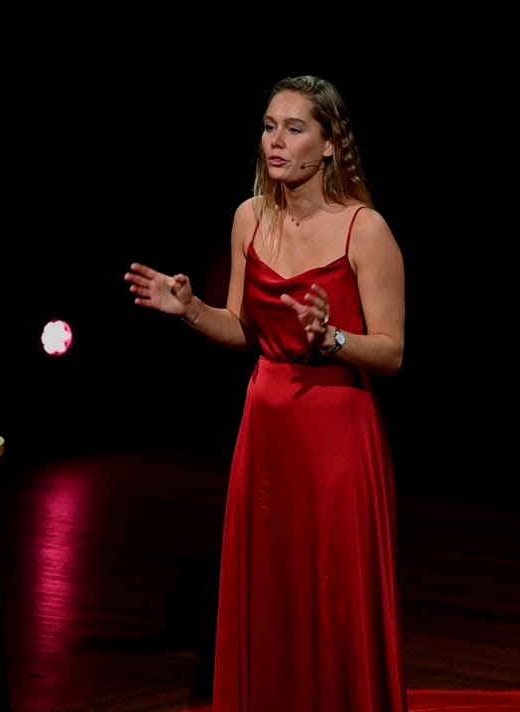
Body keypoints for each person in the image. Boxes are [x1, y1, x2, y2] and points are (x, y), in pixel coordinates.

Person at [125, 75, 407, 712]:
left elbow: (391, 352)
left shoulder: (364, 229)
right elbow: (243, 329)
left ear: (330, 145)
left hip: (337, 430)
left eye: (294, 128)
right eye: (269, 126)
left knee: (333, 588)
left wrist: (332, 338)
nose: (276, 141)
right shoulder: (249, 218)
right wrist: (191, 310)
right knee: (272, 583)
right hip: (267, 425)